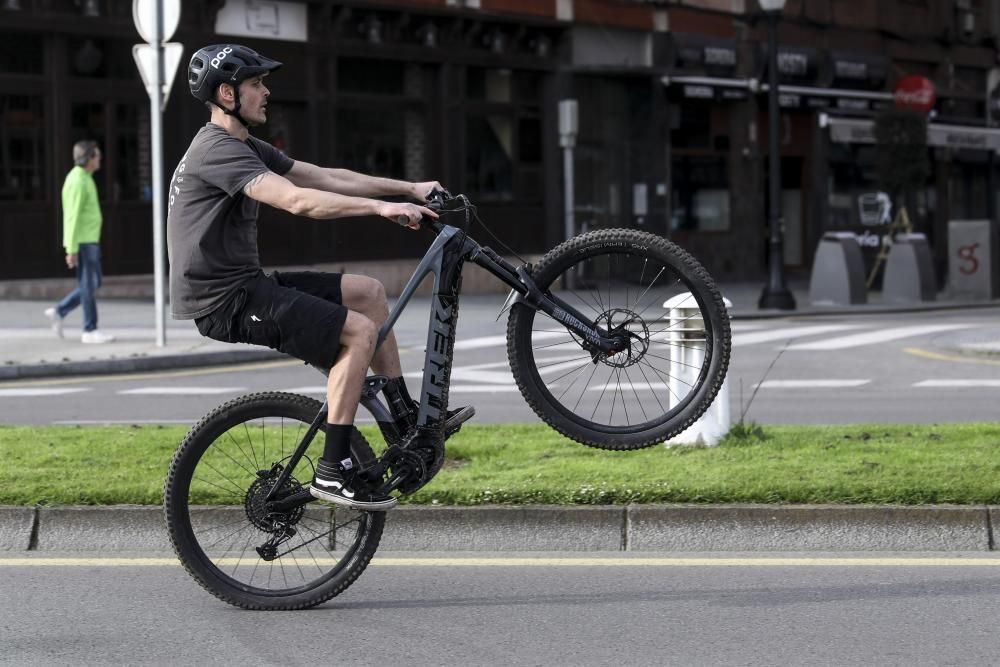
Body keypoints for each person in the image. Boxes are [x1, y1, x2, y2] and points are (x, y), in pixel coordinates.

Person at [167, 44, 473, 511]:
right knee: (359, 334)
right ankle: (332, 471)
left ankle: (403, 421)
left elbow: (323, 178)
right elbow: (298, 201)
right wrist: (380, 209)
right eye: (256, 85)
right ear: (227, 94)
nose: (266, 92)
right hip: (223, 300)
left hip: (246, 282)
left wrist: (407, 188)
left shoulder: (243, 145)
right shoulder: (217, 150)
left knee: (367, 294)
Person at [44, 140, 115, 344]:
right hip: (83, 242)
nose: (100, 159)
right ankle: (89, 329)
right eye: (97, 156)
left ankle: (59, 311)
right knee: (88, 285)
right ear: (89, 159)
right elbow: (72, 217)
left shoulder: (85, 178)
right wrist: (71, 248)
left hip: (89, 240)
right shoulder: (78, 180)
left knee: (93, 283)